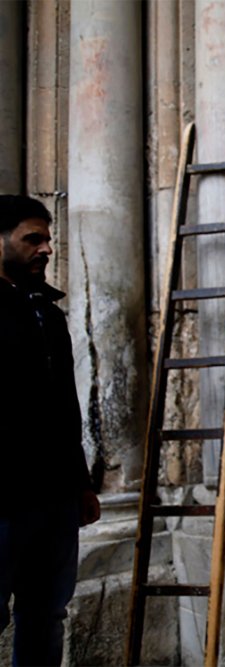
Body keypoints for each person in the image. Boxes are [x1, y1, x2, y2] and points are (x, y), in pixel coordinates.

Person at [0, 195, 100, 665]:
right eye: (32, 239)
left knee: (46, 614)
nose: (46, 249)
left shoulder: (49, 314)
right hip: (3, 500)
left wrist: (81, 484)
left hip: (54, 499)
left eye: (48, 239)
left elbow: (65, 408)